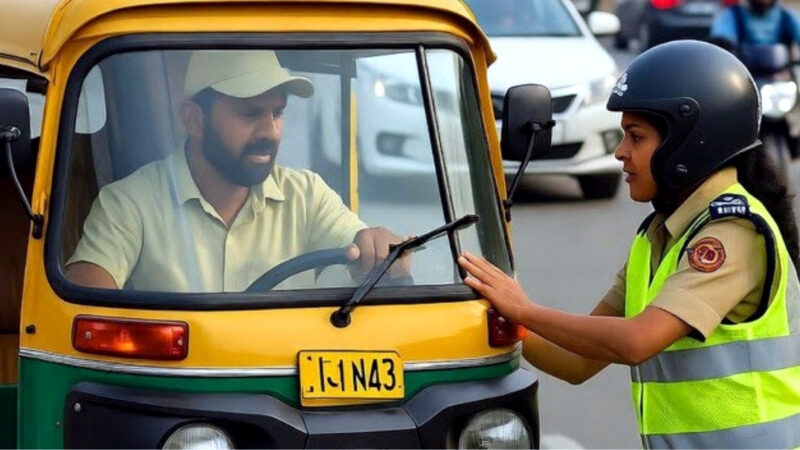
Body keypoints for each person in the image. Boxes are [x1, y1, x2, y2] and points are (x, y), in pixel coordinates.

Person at [458, 40, 800, 448]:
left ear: (690, 143)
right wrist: (505, 319)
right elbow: (578, 361)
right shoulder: (659, 236)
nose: (620, 152)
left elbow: (636, 340)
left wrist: (525, 309)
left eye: (635, 137)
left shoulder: (732, 233)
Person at [65, 50, 409, 292]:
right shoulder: (128, 203)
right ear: (194, 119)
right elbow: (83, 304)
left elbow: (361, 244)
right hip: (176, 395)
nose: (270, 132)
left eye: (277, 113)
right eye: (250, 114)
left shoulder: (307, 195)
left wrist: (381, 249)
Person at [710, 0, 800, 47]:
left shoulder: (788, 17)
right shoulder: (731, 15)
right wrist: (723, 42)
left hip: (782, 79)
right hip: (744, 77)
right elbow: (721, 38)